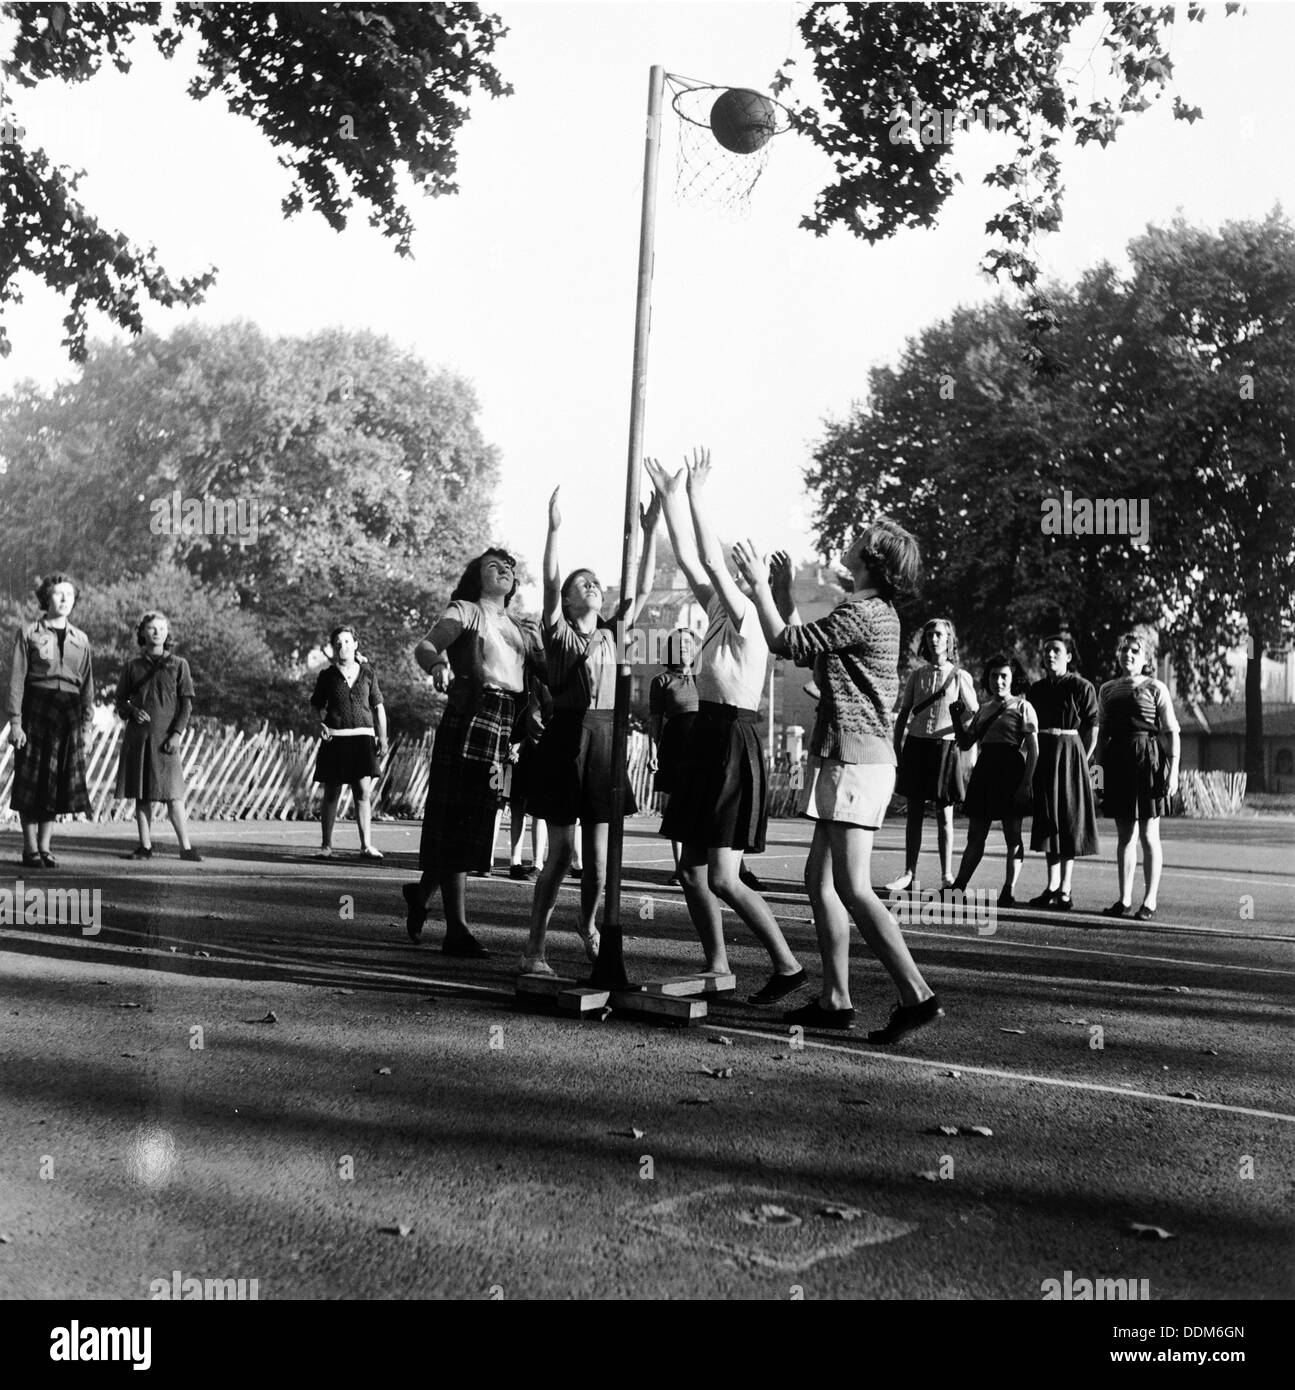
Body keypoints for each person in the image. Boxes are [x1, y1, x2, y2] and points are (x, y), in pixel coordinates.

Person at [733, 519, 941, 1043]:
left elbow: (786, 643)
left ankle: (916, 995)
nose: (849, 544)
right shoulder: (875, 612)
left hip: (854, 758)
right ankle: (835, 998)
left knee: (850, 886)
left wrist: (759, 586)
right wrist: (782, 593)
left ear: (871, 560)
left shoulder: (861, 611)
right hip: (852, 756)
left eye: (859, 542)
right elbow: (812, 646)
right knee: (819, 881)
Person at [645, 450, 805, 1005]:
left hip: (732, 739)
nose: (731, 574)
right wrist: (669, 499)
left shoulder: (747, 613)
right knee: (690, 872)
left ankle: (787, 965)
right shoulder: (718, 607)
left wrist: (696, 494)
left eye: (743, 573)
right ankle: (716, 964)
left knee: (722, 877)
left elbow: (711, 561)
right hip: (703, 737)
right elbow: (692, 559)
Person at [520, 486, 659, 975]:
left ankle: (587, 924)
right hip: (565, 738)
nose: (593, 586)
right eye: (584, 584)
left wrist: (650, 527)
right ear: (566, 598)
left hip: (605, 740)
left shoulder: (611, 632)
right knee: (561, 854)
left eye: (597, 583)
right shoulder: (556, 631)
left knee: (600, 864)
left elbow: (641, 591)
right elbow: (550, 577)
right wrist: (554, 528)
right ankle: (535, 949)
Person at [403, 549, 544, 956]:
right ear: (476, 577)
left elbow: (537, 677)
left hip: (503, 722)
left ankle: (422, 892)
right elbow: (427, 646)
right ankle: (457, 931)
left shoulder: (520, 626)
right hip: (471, 715)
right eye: (493, 566)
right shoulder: (464, 610)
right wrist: (437, 666)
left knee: (475, 819)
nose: (504, 570)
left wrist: (533, 710)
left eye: (510, 568)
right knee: (460, 818)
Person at [6, 573, 94, 868]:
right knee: (31, 779)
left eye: (70, 594)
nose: (65, 599)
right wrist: (16, 722)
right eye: (58, 594)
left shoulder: (81, 639)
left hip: (67, 713)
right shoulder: (29, 633)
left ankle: (45, 847)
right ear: (47, 598)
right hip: (36, 708)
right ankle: (29, 848)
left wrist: (87, 726)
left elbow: (87, 688)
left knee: (54, 780)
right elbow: (17, 680)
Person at [1096, 632, 1180, 920]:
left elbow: (1171, 732)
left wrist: (1174, 773)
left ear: (1145, 659)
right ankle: (1124, 899)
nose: (1127, 654)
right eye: (1123, 649)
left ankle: (1150, 901)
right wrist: (1098, 779)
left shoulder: (1156, 688)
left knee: (1148, 834)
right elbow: (1101, 738)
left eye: (1134, 651)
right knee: (1124, 837)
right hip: (1118, 761)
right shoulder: (1107, 689)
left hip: (1148, 761)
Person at [889, 618, 978, 891]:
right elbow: (903, 714)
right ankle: (909, 873)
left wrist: (965, 734)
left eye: (939, 634)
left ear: (949, 639)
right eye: (929, 635)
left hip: (945, 747)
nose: (933, 639)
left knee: (945, 815)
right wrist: (897, 746)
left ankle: (946, 875)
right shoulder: (917, 675)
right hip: (917, 745)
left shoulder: (960, 675)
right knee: (913, 812)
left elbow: (974, 711)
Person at [948, 656, 1039, 906]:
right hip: (986, 771)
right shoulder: (984, 709)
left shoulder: (1023, 707)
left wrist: (1026, 784)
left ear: (1012, 679)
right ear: (988, 679)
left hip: (1011, 772)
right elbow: (966, 742)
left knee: (1013, 835)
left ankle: (1008, 890)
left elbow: (1034, 749)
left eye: (1004, 676)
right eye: (994, 676)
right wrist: (956, 718)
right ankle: (958, 887)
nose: (998, 681)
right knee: (976, 835)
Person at [115, 611, 202, 861]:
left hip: (166, 739)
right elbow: (121, 700)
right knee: (142, 795)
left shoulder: (179, 664)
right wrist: (131, 711)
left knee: (173, 795)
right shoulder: (132, 667)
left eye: (162, 629)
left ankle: (185, 847)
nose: (157, 633)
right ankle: (145, 846)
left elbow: (186, 705)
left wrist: (176, 734)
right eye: (152, 628)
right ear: (142, 632)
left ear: (168, 633)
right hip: (139, 738)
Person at [1027, 633, 1100, 909]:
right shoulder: (1036, 689)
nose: (1050, 655)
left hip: (1070, 754)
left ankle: (1066, 890)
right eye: (1047, 651)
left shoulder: (1082, 686)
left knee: (1069, 820)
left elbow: (1093, 725)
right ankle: (1052, 886)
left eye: (1056, 650)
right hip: (1044, 753)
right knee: (1048, 819)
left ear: (1068, 656)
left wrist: (1084, 757)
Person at [309, 625, 388, 860]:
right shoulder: (327, 676)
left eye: (346, 641)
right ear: (334, 649)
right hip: (336, 738)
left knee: (363, 791)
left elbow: (379, 707)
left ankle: (366, 846)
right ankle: (326, 846)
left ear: (355, 645)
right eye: (338, 643)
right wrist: (319, 723)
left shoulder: (368, 673)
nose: (342, 646)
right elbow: (315, 705)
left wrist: (382, 737)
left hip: (363, 739)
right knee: (332, 792)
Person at [648, 627, 698, 881]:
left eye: (689, 643)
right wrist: (652, 750)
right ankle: (680, 869)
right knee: (678, 808)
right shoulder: (661, 681)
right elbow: (655, 720)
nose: (683, 647)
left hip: (704, 747)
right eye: (678, 643)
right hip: (676, 747)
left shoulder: (706, 677)